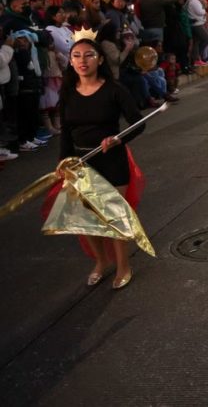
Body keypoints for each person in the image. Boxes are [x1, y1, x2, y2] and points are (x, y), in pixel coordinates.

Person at [57, 33, 147, 289]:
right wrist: (63, 161)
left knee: (113, 218)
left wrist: (117, 139)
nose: (82, 61)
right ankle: (101, 262)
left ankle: (123, 266)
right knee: (85, 220)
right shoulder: (67, 91)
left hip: (112, 160)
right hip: (80, 162)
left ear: (99, 60)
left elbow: (138, 124)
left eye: (89, 55)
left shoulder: (114, 89)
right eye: (76, 56)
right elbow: (65, 130)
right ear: (71, 61)